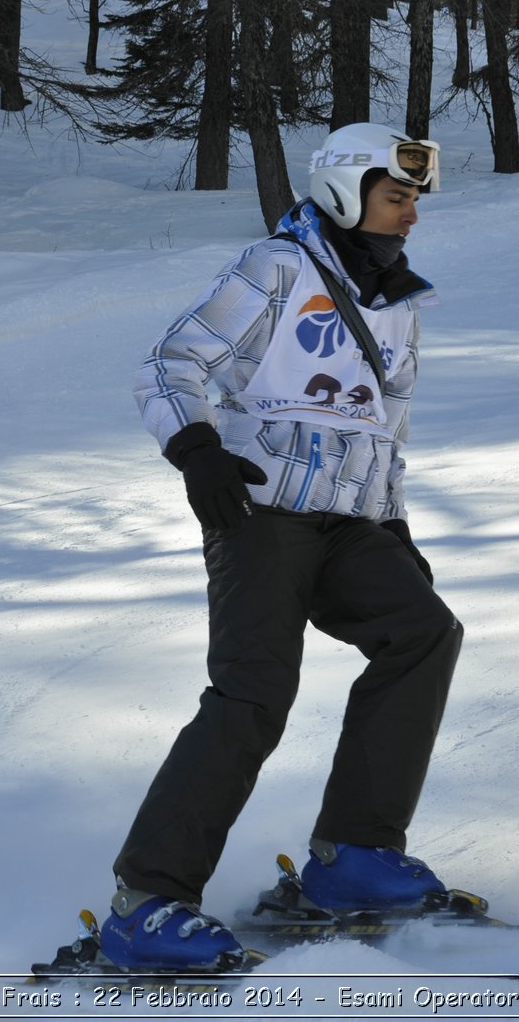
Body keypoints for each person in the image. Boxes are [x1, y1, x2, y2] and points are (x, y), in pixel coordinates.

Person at [105, 124, 463, 971]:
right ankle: (146, 901)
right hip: (259, 512)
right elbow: (170, 364)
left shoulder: (400, 302)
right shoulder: (276, 269)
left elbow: (386, 428)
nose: (412, 215)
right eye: (396, 196)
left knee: (423, 631)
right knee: (254, 690)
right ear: (347, 191)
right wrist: (196, 451)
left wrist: (397, 524)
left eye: (415, 200)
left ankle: (355, 857)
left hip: (350, 522)